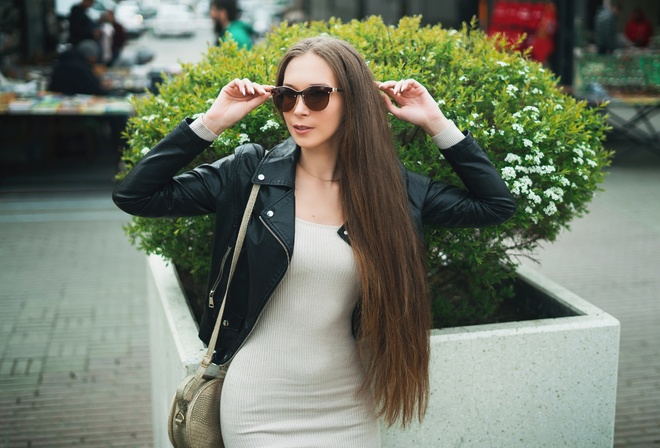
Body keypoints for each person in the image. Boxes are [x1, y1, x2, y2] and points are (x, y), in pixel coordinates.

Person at [112, 36, 516, 445]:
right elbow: (136, 196)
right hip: (259, 405)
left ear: (352, 100)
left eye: (318, 95)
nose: (299, 110)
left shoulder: (394, 192)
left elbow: (495, 205)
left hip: (349, 405)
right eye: (287, 96)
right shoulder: (250, 174)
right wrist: (211, 122)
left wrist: (437, 123)